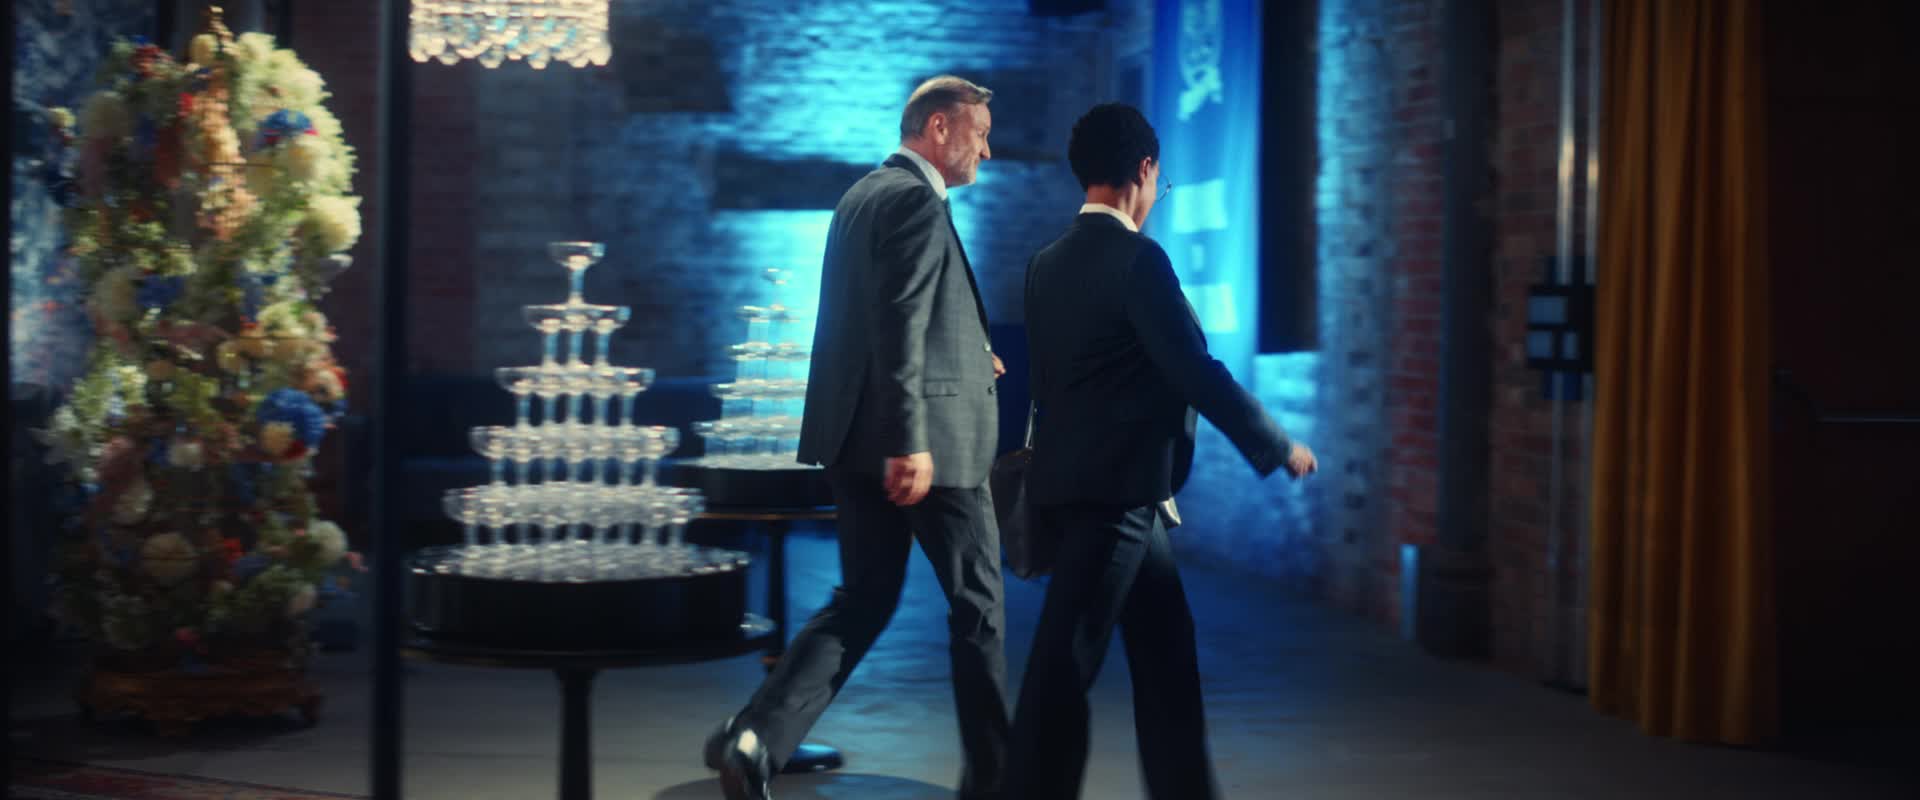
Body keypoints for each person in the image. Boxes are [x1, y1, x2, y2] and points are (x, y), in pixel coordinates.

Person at [704, 75, 1011, 800]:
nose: (987, 151)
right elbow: (900, 322)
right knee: (979, 610)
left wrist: (973, 357)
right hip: (928, 448)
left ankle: (756, 740)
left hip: (854, 439)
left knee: (864, 599)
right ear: (939, 127)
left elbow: (888, 319)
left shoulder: (862, 195)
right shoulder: (915, 201)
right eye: (979, 134)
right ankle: (997, 781)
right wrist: (911, 440)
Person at [1005, 102, 1319, 800]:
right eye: (1161, 182)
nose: (1157, 194)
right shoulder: (1139, 261)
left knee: (1167, 658)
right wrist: (1275, 444)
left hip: (1098, 492)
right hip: (1116, 498)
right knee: (1062, 671)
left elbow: (1053, 384)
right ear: (1144, 171)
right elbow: (1194, 370)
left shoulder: (1044, 264)